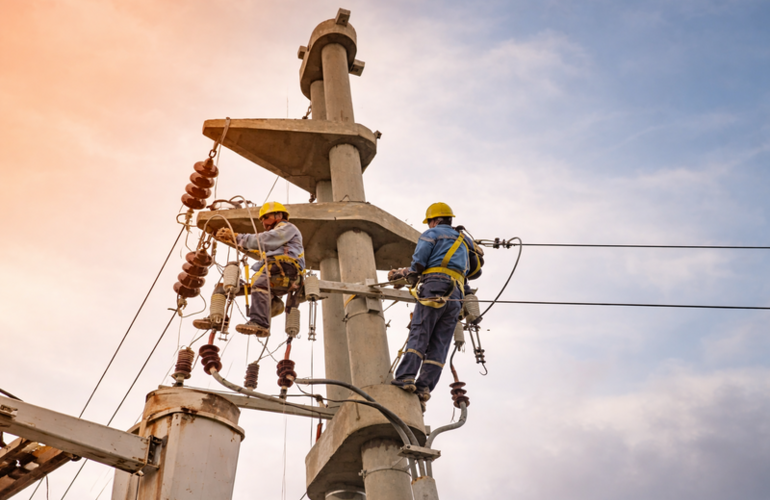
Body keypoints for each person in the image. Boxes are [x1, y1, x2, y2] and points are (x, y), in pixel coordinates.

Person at [388, 202, 470, 404]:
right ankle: (424, 387)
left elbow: (419, 261)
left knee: (421, 332)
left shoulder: (432, 234)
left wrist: (405, 274)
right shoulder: (464, 242)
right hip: (457, 294)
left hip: (435, 286)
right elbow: (468, 272)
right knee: (440, 343)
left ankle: (406, 377)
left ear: (434, 220)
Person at [215, 201, 305, 337]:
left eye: (266, 218)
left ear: (279, 215)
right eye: (262, 220)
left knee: (260, 284)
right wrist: (235, 240)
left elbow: (265, 240)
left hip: (285, 271)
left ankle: (260, 323)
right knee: (223, 288)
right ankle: (216, 320)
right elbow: (260, 247)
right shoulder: (277, 243)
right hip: (275, 274)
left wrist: (238, 237)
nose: (264, 223)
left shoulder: (287, 228)